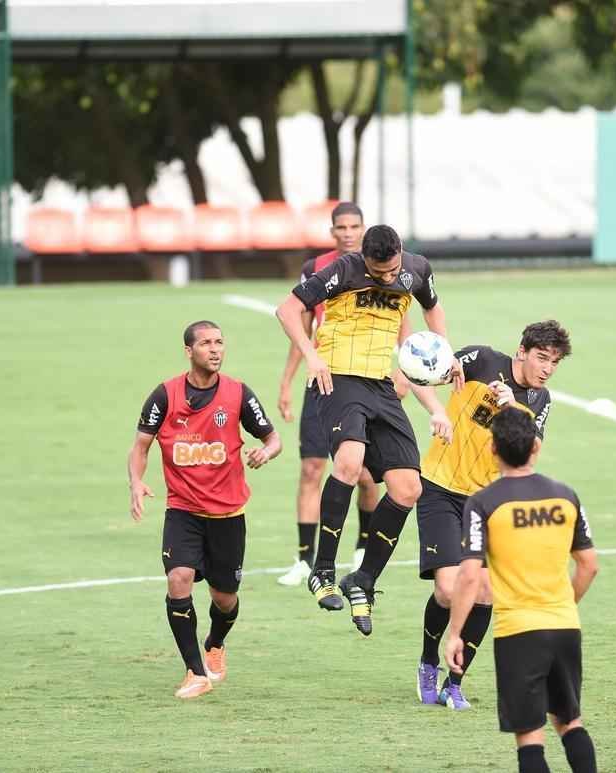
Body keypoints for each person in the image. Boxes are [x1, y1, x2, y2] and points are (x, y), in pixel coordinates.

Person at [275, 223, 459, 636]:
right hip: (338, 377)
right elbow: (287, 310)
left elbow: (432, 308)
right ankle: (323, 569)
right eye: (379, 272)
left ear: (400, 254)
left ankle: (363, 579)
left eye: (392, 270)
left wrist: (445, 351)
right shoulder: (344, 270)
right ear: (366, 259)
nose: (388, 277)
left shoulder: (416, 269)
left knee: (408, 487)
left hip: (380, 384)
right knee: (349, 460)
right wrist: (311, 357)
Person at [415, 321, 571, 711]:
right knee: (448, 590)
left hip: (485, 502)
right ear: (522, 351)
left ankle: (455, 683)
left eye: (554, 362)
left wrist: (511, 408)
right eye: (541, 358)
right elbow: (423, 375)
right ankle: (429, 661)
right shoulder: (482, 360)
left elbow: (532, 450)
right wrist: (437, 410)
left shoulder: (539, 399)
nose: (547, 368)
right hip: (440, 486)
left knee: (485, 592)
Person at [127, 320, 282, 699]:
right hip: (183, 511)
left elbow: (273, 438)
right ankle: (195, 672)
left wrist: (265, 452)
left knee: (224, 599)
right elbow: (141, 446)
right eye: (206, 343)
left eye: (219, 342)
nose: (215, 349)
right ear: (189, 351)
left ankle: (215, 643)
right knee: (178, 578)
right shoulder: (164, 395)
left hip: (228, 515)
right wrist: (136, 481)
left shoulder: (238, 393)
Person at [445, 407, 598, 773]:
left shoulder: (483, 503)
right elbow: (589, 565)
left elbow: (469, 576)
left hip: (518, 633)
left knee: (530, 736)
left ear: (492, 449)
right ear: (535, 448)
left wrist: (455, 634)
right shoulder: (566, 496)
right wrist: (564, 605)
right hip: (564, 625)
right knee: (569, 721)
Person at [276, 202, 382, 587]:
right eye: (342, 227)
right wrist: (287, 382)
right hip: (321, 380)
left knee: (366, 475)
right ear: (332, 231)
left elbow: (401, 319)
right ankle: (305, 560)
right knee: (311, 469)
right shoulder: (316, 269)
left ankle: (363, 547)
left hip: (365, 380)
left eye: (355, 226)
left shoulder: (381, 266)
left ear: (363, 229)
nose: (348, 233)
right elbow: (302, 330)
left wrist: (401, 374)